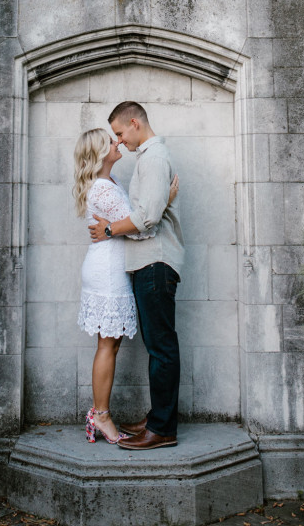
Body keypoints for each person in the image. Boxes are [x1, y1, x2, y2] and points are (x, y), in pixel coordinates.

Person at [88, 101, 184, 450]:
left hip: (155, 262)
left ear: (134, 123)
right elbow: (149, 212)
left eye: (119, 133)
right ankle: (157, 418)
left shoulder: (154, 158)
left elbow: (147, 219)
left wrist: (111, 229)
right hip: (147, 262)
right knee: (158, 346)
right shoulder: (148, 158)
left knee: (161, 347)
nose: (119, 141)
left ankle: (162, 428)